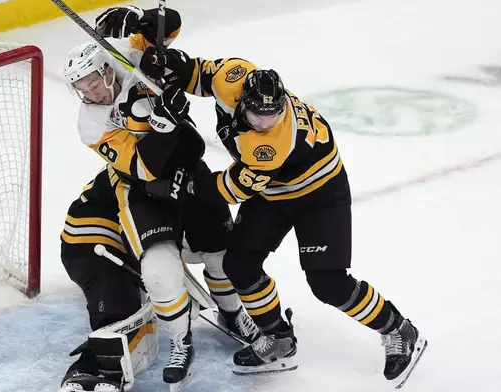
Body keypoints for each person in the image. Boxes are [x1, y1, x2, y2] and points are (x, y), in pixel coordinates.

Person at [138, 48, 428, 387]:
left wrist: (184, 183)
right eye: (258, 116)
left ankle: (398, 328)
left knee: (328, 283)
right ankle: (278, 338)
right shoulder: (235, 74)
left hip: (320, 196)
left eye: (272, 117)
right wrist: (165, 60)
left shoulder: (272, 144)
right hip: (275, 193)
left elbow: (230, 190)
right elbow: (198, 73)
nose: (264, 123)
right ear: (243, 97)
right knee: (239, 265)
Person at [62, 5, 261, 390]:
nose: (90, 93)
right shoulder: (90, 125)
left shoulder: (123, 53)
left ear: (105, 69)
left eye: (93, 82)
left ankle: (233, 312)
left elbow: (168, 30)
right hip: (141, 187)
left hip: (188, 164)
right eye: (81, 89)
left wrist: (154, 24)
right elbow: (142, 168)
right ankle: (180, 342)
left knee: (221, 253)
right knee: (158, 269)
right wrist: (163, 126)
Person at [59, 165, 157, 392]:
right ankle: (89, 367)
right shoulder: (147, 166)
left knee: (126, 296)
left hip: (99, 240)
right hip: (94, 243)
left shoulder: (146, 155)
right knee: (117, 314)